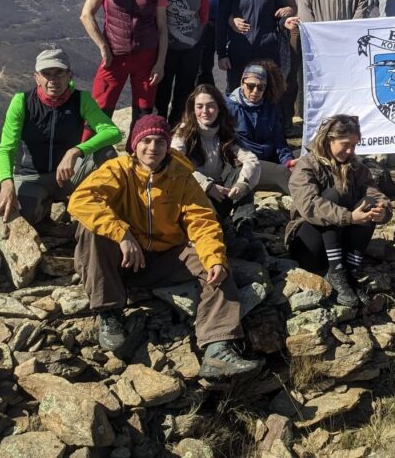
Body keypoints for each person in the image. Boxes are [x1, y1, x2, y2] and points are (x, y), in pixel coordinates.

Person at [67, 115, 262, 379]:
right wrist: (122, 234)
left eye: (160, 141)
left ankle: (218, 350)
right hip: (119, 260)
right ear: (134, 144)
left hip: (164, 257)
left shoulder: (181, 178)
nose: (152, 148)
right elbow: (81, 200)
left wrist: (214, 258)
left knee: (216, 266)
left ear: (168, 145)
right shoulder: (117, 169)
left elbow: (202, 221)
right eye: (146, 141)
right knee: (92, 229)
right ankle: (108, 311)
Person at [0, 48, 123, 225]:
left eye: (59, 73)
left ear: (69, 75)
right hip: (32, 177)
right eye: (46, 74)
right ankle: (46, 209)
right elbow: (7, 148)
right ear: (36, 77)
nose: (53, 80)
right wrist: (6, 184)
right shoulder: (22, 102)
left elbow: (112, 132)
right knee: (17, 218)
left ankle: (98, 208)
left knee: (106, 154)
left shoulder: (81, 99)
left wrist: (76, 151)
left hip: (69, 174)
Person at [286, 115, 392, 306]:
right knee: (331, 197)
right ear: (329, 139)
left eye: (354, 145)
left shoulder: (355, 167)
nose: (350, 150)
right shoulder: (307, 165)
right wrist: (350, 217)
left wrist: (383, 210)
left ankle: (349, 271)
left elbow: (373, 192)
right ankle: (336, 270)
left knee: (369, 202)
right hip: (309, 247)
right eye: (345, 144)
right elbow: (310, 205)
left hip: (338, 244)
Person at [79, 0, 168, 128]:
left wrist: (160, 63)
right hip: (114, 54)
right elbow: (86, 14)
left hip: (147, 55)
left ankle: (137, 154)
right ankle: (89, 155)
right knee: (100, 107)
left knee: (144, 110)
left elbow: (162, 28)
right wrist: (102, 45)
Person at [171, 84, 263, 259]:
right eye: (199, 106)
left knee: (240, 174)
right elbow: (176, 165)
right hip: (191, 196)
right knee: (209, 224)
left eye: (211, 105)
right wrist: (207, 185)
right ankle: (228, 243)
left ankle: (245, 229)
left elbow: (251, 160)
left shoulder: (224, 133)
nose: (205, 111)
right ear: (192, 109)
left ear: (219, 108)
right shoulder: (183, 133)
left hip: (218, 193)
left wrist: (242, 184)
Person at [154, 0, 209, 125]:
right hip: (165, 45)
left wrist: (197, 35)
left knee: (185, 90)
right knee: (162, 89)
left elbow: (203, 12)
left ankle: (176, 127)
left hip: (191, 44)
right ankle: (159, 127)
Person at [276, 0, 324, 126]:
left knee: (317, 72)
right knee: (292, 72)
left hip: (321, 24)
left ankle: (313, 116)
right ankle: (288, 118)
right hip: (294, 23)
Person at [225, 62, 296, 193]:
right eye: (250, 86)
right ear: (242, 83)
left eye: (261, 87)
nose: (255, 91)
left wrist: (288, 160)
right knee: (283, 173)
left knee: (304, 159)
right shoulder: (228, 107)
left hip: (269, 157)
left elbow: (279, 140)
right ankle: (312, 207)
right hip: (247, 164)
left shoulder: (270, 106)